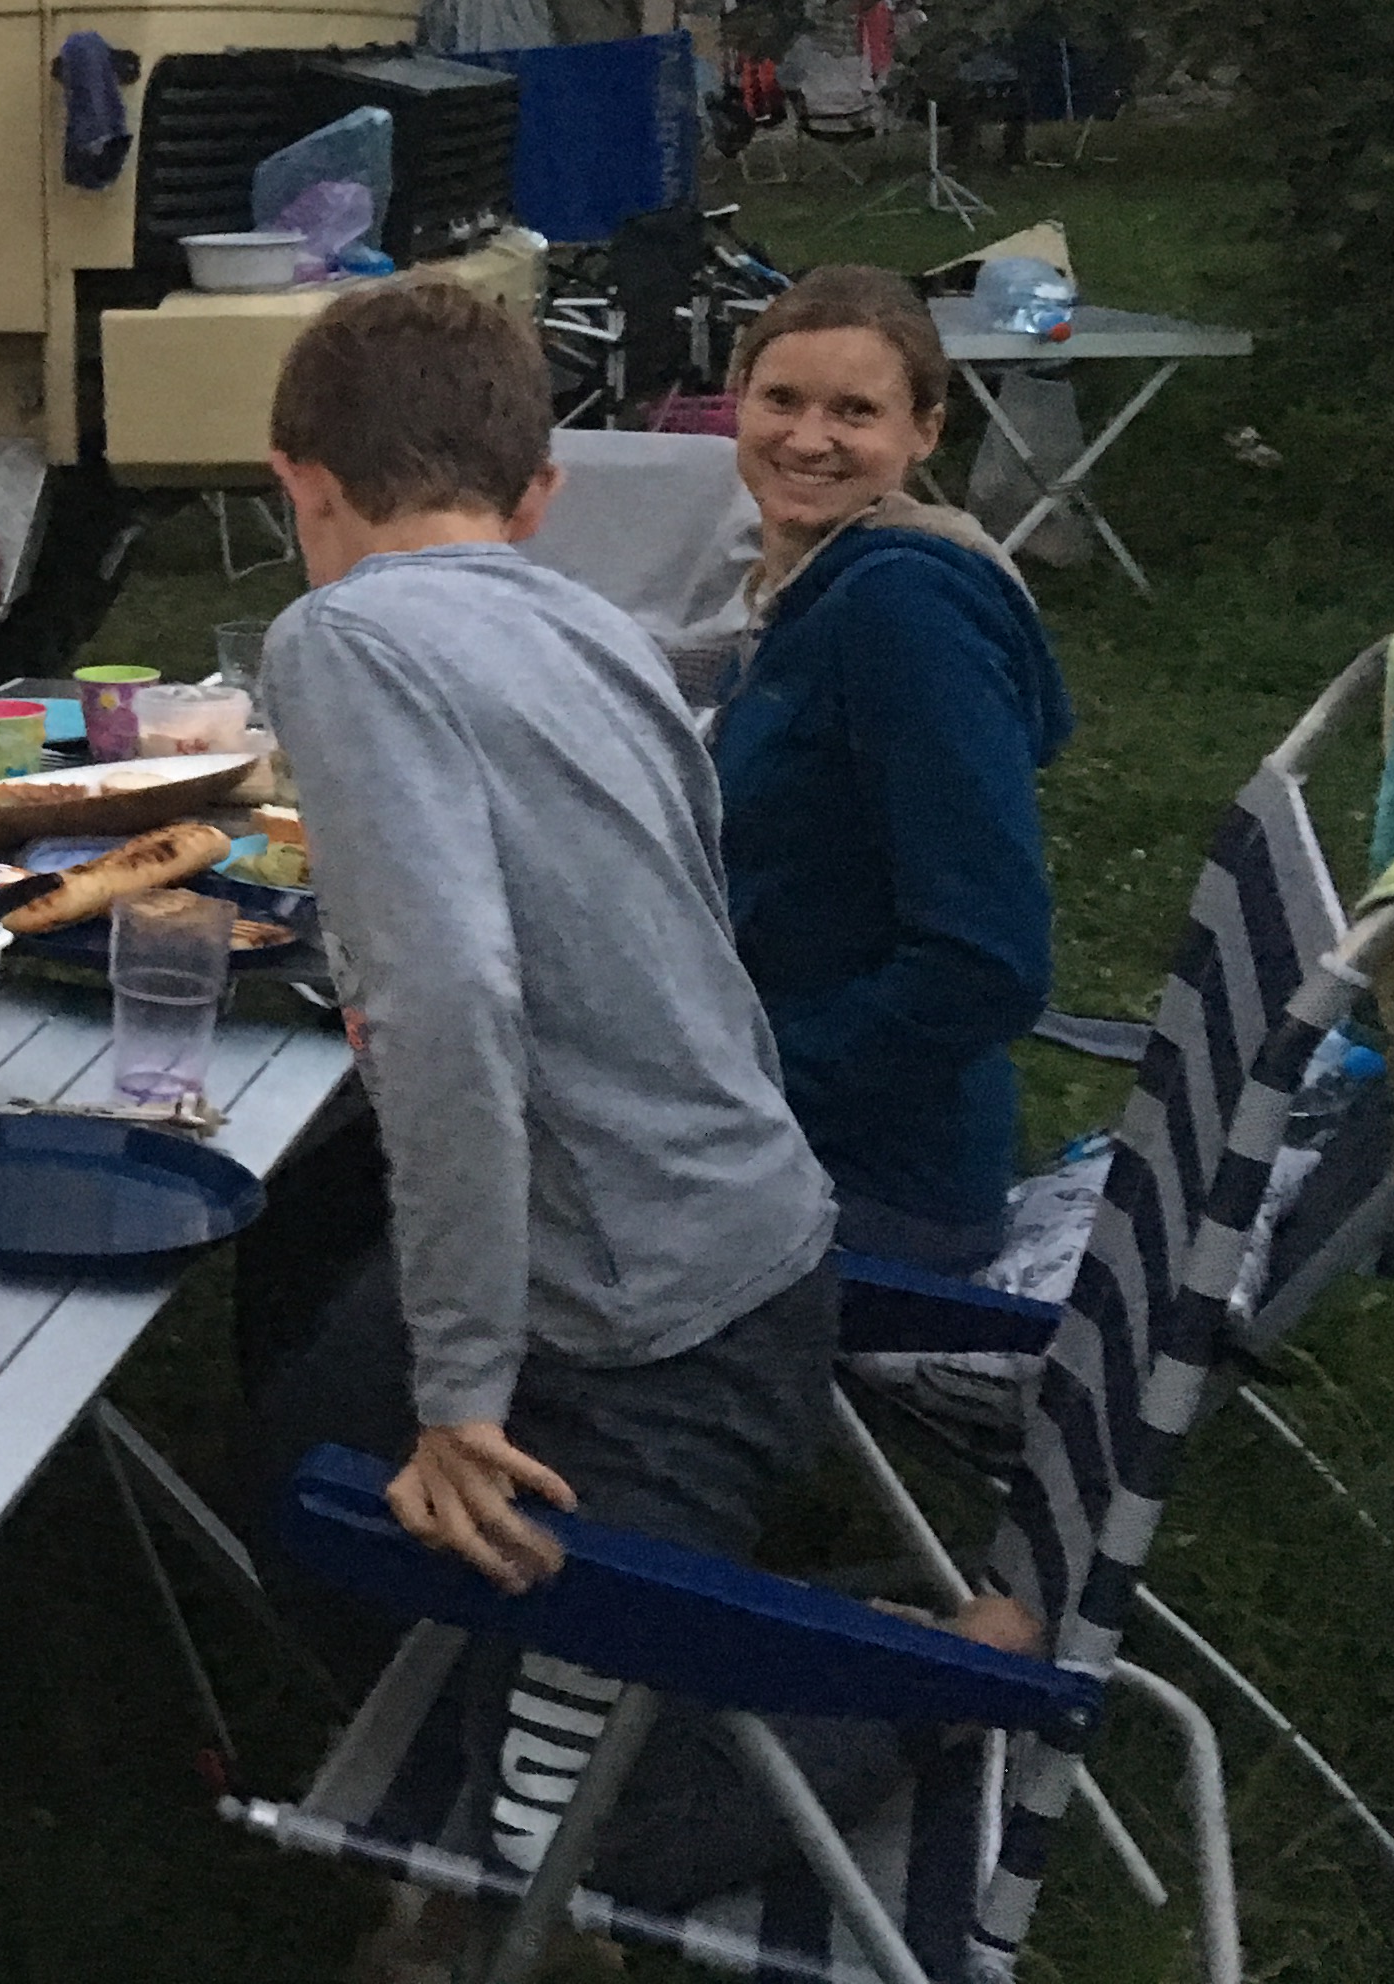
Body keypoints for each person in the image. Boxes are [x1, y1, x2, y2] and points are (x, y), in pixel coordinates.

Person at [244, 280, 1013, 1938]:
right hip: (727, 1241)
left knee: (572, 1853)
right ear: (536, 493)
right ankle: (557, 1668)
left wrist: (463, 1385)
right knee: (307, 1449)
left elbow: (452, 1003)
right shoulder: (584, 618)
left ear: (294, 478)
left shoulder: (339, 636)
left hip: (669, 1329)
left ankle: (933, 1674)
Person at [718, 263, 1074, 1274]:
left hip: (864, 1179)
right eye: (781, 399)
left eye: (855, 411)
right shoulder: (812, 584)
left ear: (925, 432)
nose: (808, 438)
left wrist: (737, 1085)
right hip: (793, 1117)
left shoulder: (903, 614)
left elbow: (987, 965)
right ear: (736, 402)